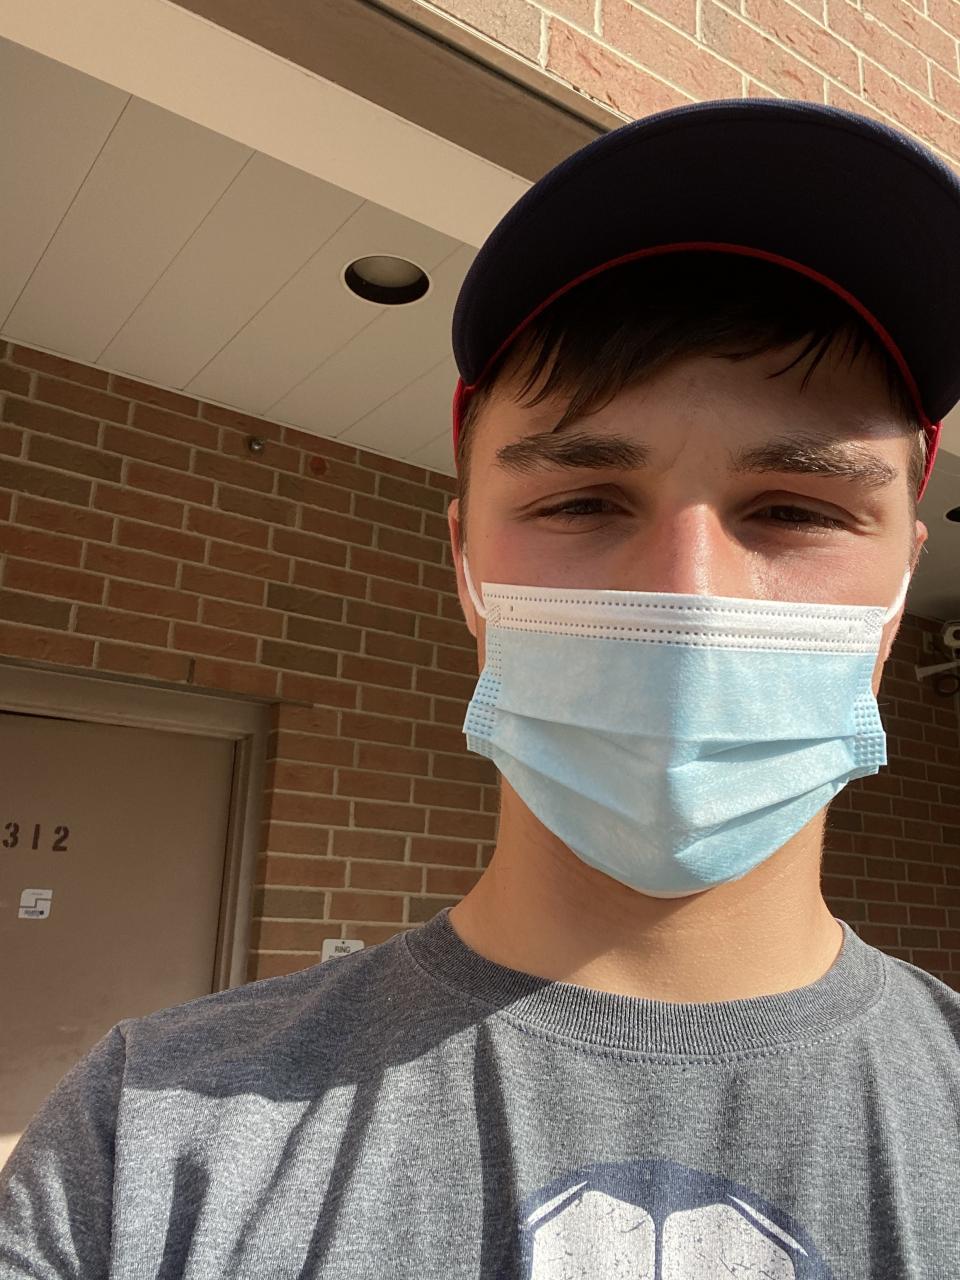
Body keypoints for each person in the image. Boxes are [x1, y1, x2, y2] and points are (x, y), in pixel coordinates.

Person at [2, 98, 959, 1279]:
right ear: (466, 565)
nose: (690, 594)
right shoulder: (147, 1139)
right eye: (582, 500)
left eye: (797, 508)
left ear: (900, 586)